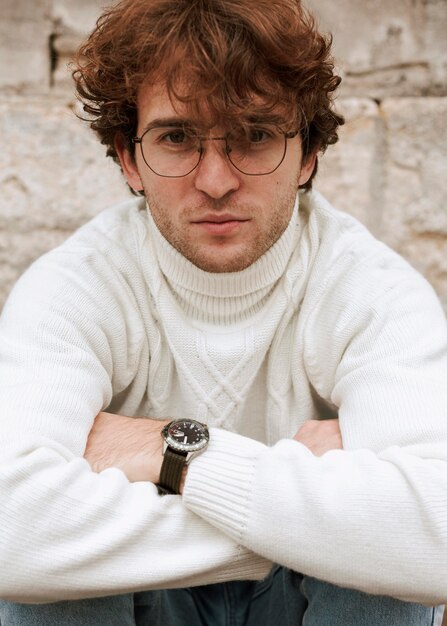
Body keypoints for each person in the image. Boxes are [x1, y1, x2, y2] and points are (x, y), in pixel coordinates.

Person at [0, 0, 446, 624]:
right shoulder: (75, 289)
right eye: (177, 137)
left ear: (309, 154)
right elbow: (11, 534)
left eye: (256, 135)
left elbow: (438, 541)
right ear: (129, 159)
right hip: (146, 594)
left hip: (303, 597)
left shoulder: (371, 291)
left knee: (383, 580)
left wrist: (165, 452)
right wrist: (331, 519)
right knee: (49, 581)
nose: (215, 180)